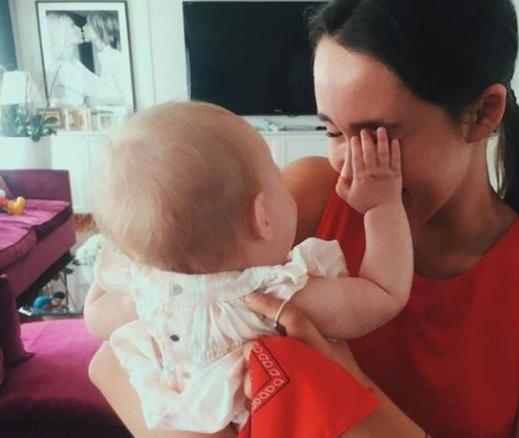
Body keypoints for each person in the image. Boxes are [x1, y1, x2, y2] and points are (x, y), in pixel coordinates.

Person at [88, 1, 519, 437]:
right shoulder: (306, 198)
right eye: (332, 131)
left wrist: (343, 383)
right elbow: (118, 357)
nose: (347, 168)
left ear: (482, 113)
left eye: (374, 138)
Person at [83, 101, 412, 434]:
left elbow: (94, 318)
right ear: (263, 217)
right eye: (277, 177)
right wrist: (382, 206)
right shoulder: (269, 295)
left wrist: (133, 256)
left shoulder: (147, 291)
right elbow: (382, 294)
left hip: (179, 416)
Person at [83, 12, 132, 108]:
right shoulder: (102, 57)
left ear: (99, 27)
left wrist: (97, 101)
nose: (83, 27)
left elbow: (128, 98)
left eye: (87, 24)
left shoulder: (115, 57)